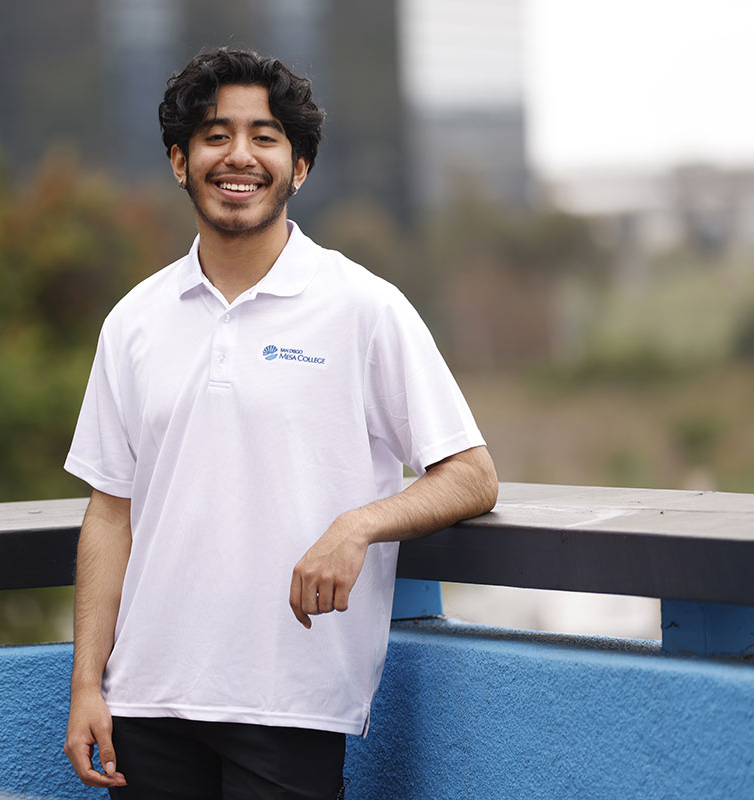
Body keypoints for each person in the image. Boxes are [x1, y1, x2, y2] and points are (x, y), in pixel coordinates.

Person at [62, 47, 497, 799]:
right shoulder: (133, 322)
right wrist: (86, 687)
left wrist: (356, 526)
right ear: (179, 160)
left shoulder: (363, 307)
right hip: (145, 701)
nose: (240, 156)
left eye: (265, 136)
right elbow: (109, 514)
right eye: (215, 135)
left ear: (298, 168)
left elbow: (471, 475)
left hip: (289, 704)